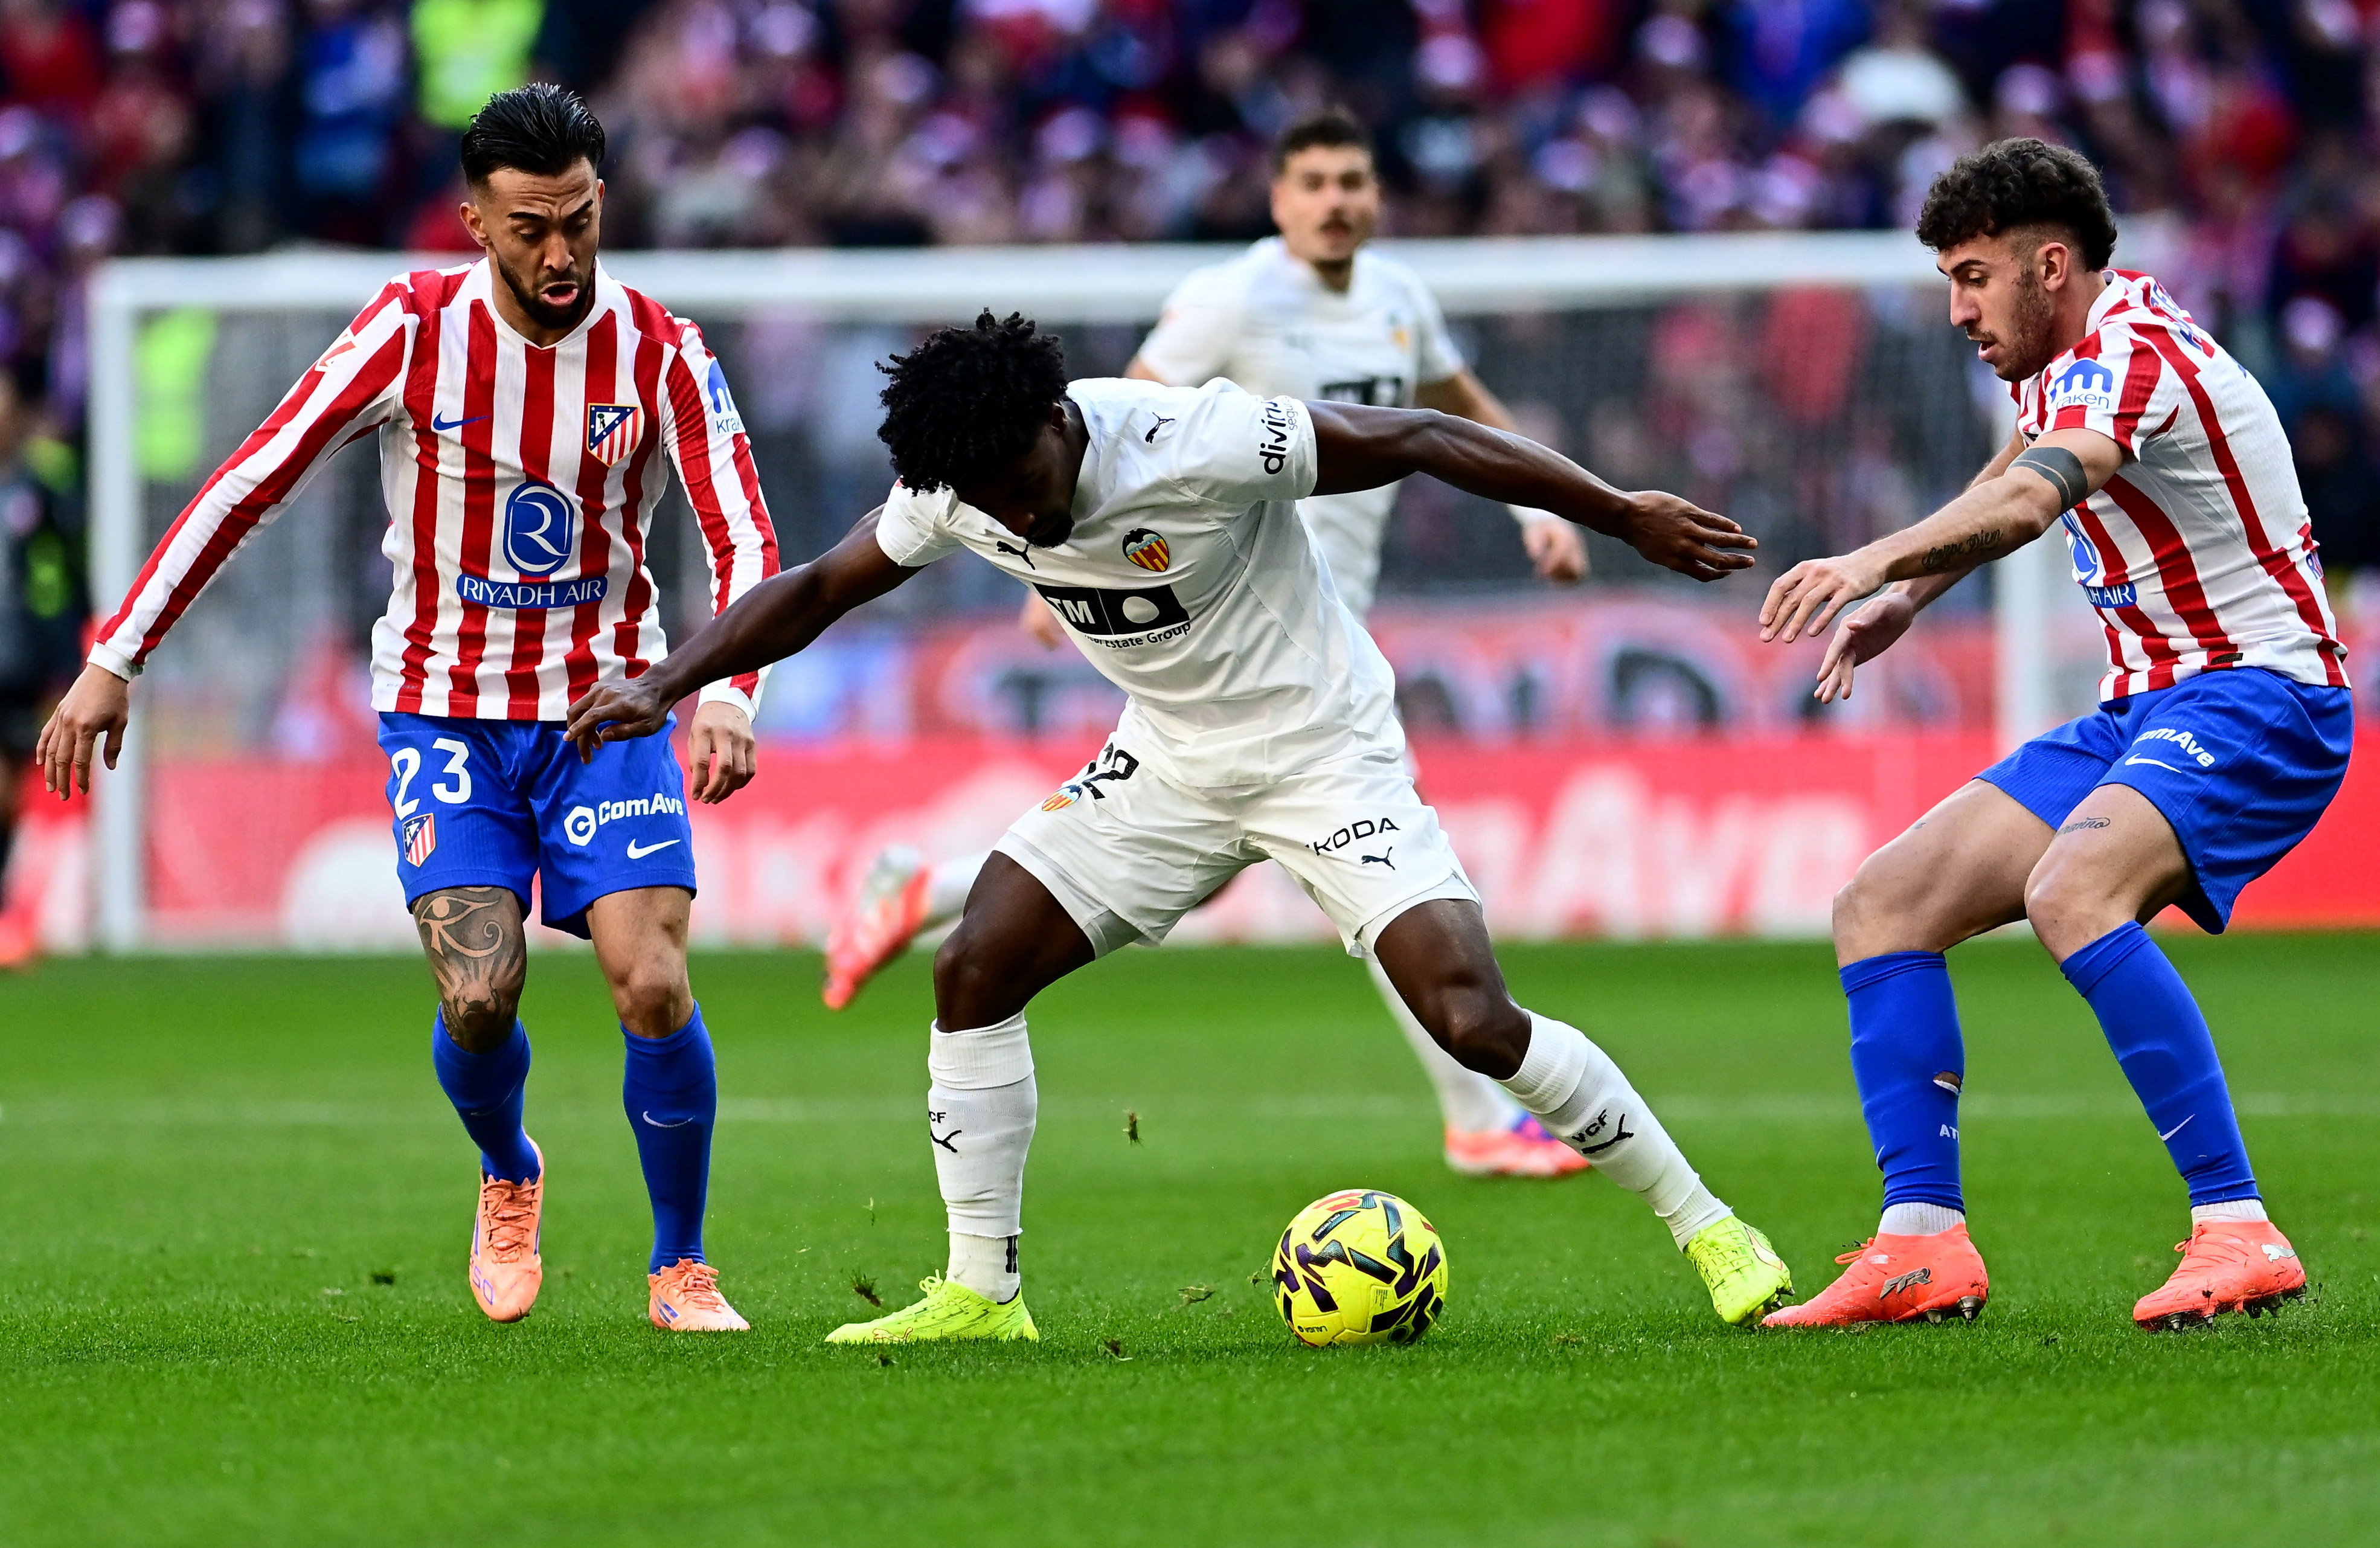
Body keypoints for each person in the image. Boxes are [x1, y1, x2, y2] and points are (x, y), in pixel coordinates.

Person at [566, 310, 1797, 1341]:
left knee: (1470, 1018)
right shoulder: (957, 485)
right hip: (1166, 763)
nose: (1024, 522)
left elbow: (1419, 435)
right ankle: (982, 1293)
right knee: (972, 964)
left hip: (1323, 752)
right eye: (993, 506)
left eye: (1029, 490)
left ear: (1059, 424)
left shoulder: (1191, 437)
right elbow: (820, 587)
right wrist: (666, 682)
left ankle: (1711, 1228)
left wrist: (1616, 512)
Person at [37, 85, 778, 1332]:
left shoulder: (662, 350)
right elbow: (247, 482)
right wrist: (119, 654)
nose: (561, 254)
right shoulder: (407, 330)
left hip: (611, 706)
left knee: (648, 981)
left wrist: (729, 691)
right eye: (531, 227)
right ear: (473, 223)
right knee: (478, 994)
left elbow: (744, 537)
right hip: (445, 713)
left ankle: (680, 1262)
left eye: (581, 222)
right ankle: (508, 1171)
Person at [820, 108, 1594, 1181]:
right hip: (1224, 611)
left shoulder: (1400, 298)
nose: (1337, 201)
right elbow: (1120, 408)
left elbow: (1452, 402)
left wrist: (1533, 510)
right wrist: (1065, 562)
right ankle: (1475, 1114)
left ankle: (927, 885)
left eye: (1354, 180)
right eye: (1314, 181)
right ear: (1278, 200)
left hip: (1315, 619)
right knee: (1375, 878)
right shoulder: (1229, 297)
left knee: (1297, 867)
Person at [1755, 139, 2347, 1332]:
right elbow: (2012, 457)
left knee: (2070, 889)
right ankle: (1919, 1245)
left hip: (2259, 696)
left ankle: (2236, 1229)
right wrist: (1907, 603)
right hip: (2144, 703)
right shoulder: (2057, 355)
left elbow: (2032, 496)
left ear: (2047, 263)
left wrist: (1868, 555)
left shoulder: (2128, 354)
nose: (1954, 309)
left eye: (1970, 277)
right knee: (1879, 904)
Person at [0, 367, 84, 968]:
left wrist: (65, 657)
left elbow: (60, 577)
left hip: (21, 663)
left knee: (13, 793)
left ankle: (11, 918)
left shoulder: (36, 487)